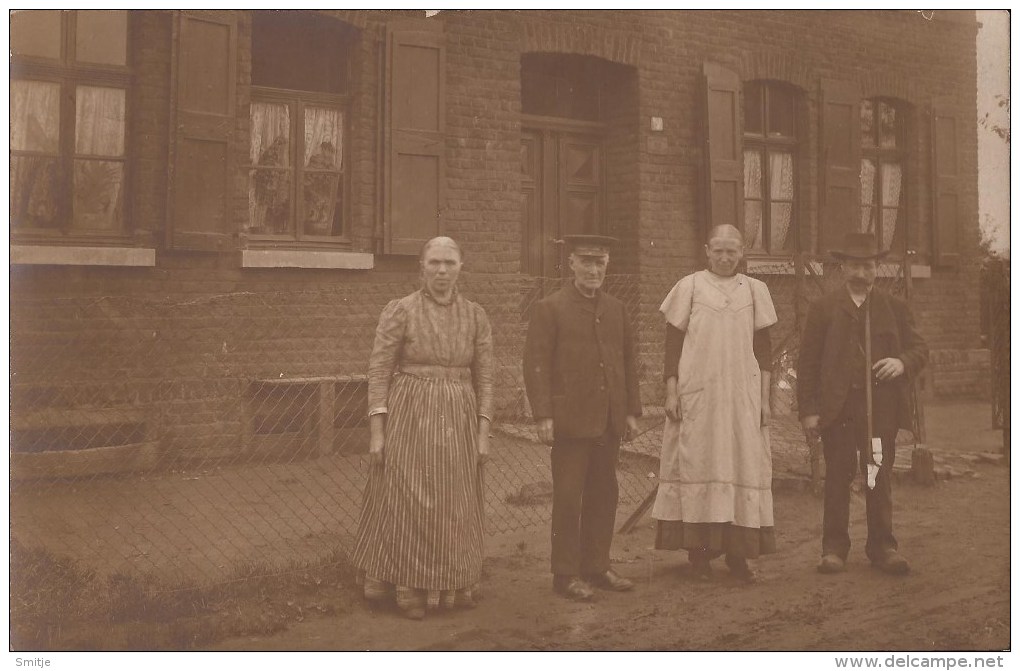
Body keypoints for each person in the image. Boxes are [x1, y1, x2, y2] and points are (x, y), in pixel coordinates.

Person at [351, 236, 493, 619]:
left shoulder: (476, 316)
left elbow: (486, 379)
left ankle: (451, 585)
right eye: (434, 263)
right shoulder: (401, 311)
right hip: (410, 414)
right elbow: (379, 371)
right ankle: (406, 585)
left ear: (461, 266)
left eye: (449, 262)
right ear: (421, 267)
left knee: (453, 502)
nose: (442, 271)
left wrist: (483, 432)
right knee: (409, 499)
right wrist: (378, 431)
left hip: (459, 418)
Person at [651, 224, 778, 582]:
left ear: (742, 253)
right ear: (706, 250)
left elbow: (764, 351)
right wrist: (671, 391)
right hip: (699, 396)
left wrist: (765, 400)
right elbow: (672, 346)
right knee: (698, 464)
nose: (724, 257)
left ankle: (739, 556)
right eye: (718, 250)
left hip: (742, 398)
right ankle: (699, 555)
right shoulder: (689, 287)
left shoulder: (755, 291)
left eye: (732, 251)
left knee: (742, 465)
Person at [797, 232, 929, 575]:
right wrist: (809, 411)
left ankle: (883, 547)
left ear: (877, 268)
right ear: (843, 268)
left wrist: (901, 363)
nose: (861, 273)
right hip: (838, 412)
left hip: (878, 413)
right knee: (838, 476)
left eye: (868, 266)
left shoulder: (894, 308)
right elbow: (808, 363)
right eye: (855, 266)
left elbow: (919, 349)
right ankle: (834, 549)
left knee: (876, 475)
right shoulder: (823, 309)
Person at [523, 234, 642, 601]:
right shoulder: (551, 308)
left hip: (608, 421)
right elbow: (536, 365)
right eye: (585, 262)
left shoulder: (617, 309)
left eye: (600, 263)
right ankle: (565, 574)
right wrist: (543, 415)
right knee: (569, 497)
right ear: (570, 263)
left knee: (604, 494)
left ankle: (597, 565)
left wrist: (632, 412)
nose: (593, 270)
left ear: (607, 265)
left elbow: (627, 364)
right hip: (570, 422)